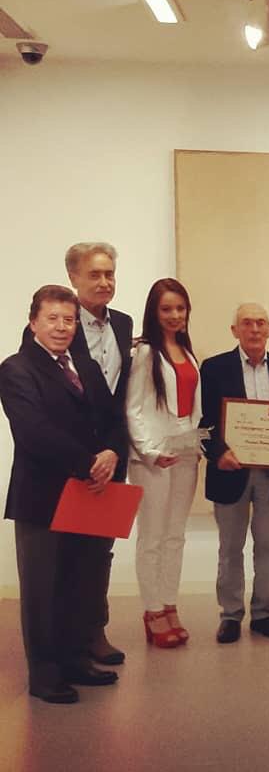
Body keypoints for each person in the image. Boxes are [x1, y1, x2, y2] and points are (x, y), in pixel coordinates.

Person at [0, 285, 126, 703]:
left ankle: (76, 661)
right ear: (33, 322)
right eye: (52, 318)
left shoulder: (84, 366)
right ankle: (45, 675)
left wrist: (111, 452)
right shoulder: (16, 369)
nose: (61, 327)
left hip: (89, 493)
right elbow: (34, 432)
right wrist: (90, 463)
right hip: (43, 498)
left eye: (68, 319)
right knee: (43, 590)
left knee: (79, 583)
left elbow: (113, 416)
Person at [19, 243, 134, 665]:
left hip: (109, 458)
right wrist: (86, 460)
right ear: (73, 278)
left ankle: (93, 633)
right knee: (60, 566)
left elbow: (119, 398)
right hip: (66, 467)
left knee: (96, 555)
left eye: (109, 274)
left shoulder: (124, 323)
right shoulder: (49, 330)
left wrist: (113, 451)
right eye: (94, 274)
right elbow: (42, 409)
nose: (104, 282)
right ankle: (65, 652)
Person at [200, 303, 269, 644]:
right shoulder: (214, 369)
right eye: (246, 323)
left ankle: (263, 613)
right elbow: (203, 422)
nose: (254, 329)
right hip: (230, 471)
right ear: (235, 330)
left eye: (260, 323)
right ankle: (230, 615)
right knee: (230, 548)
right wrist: (218, 453)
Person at [126, 278, 202, 649]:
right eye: (166, 309)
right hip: (153, 457)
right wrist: (150, 451)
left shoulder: (187, 351)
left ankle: (170, 604)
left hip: (186, 451)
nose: (174, 315)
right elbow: (134, 408)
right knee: (152, 537)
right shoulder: (144, 353)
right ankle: (152, 610)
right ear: (154, 313)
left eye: (180, 308)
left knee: (175, 535)